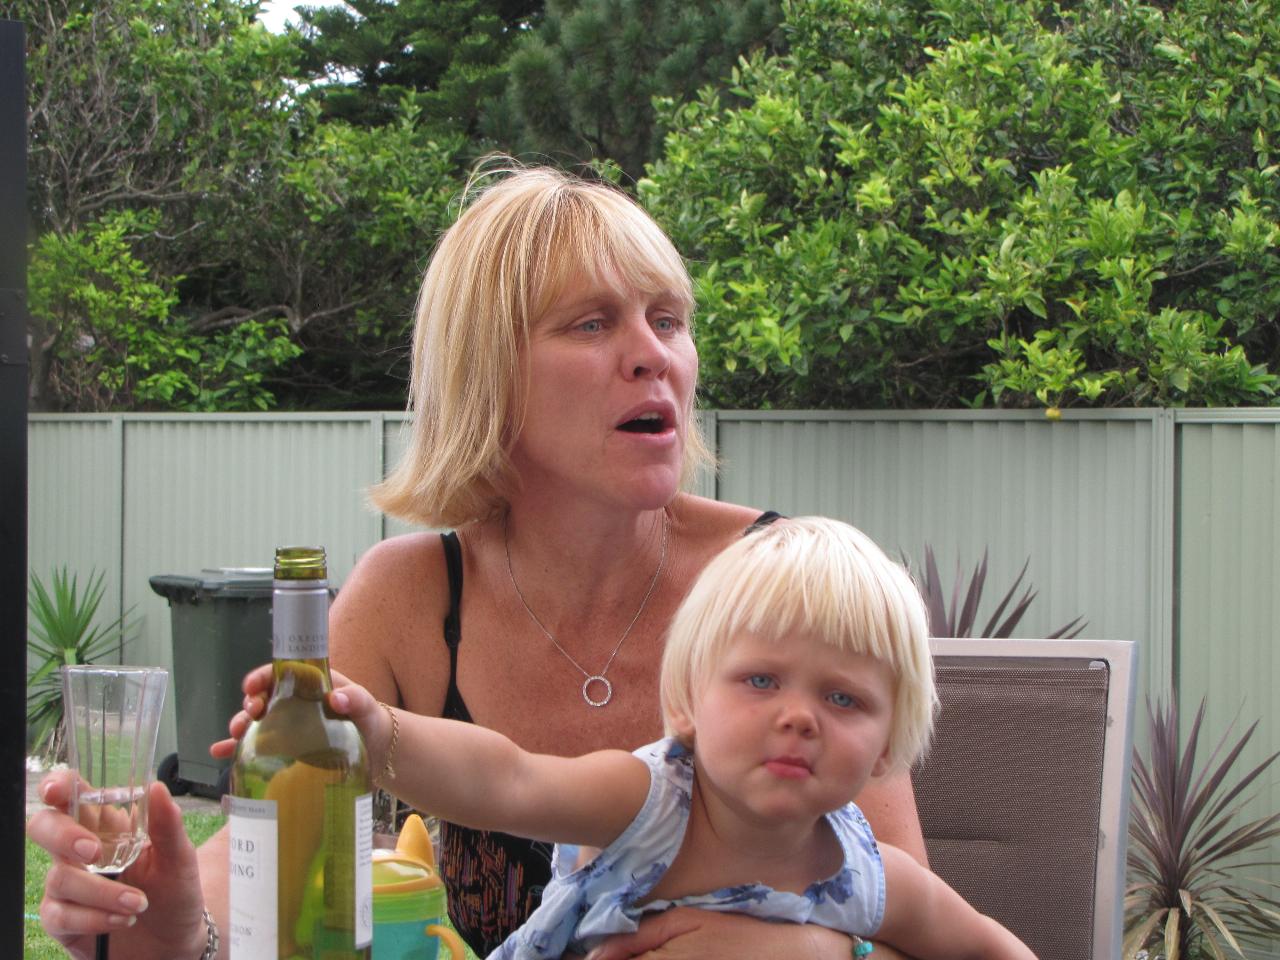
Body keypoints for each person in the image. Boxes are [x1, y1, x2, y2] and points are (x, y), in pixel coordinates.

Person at [28, 162, 930, 960]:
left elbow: (908, 915)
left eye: (669, 320)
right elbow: (267, 850)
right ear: (486, 375)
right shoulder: (412, 597)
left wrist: (809, 954)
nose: (655, 356)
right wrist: (184, 931)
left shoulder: (782, 585)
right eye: (591, 323)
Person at [315, 516, 1036, 960]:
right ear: (688, 700)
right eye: (760, 681)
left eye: (843, 697)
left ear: (885, 750)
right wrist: (379, 734)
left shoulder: (876, 880)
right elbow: (508, 779)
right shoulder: (651, 803)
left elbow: (985, 945)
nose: (799, 716)